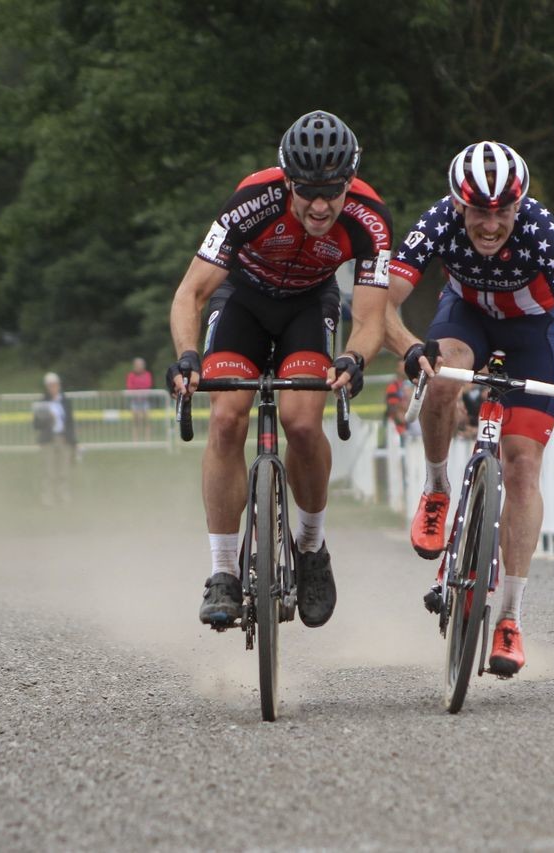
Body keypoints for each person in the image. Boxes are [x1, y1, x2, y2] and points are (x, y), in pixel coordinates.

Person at [167, 110, 393, 630]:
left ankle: (311, 547)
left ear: (349, 182)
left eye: (331, 190)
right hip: (242, 301)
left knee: (303, 421)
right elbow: (191, 293)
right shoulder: (252, 200)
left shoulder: (369, 217)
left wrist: (353, 359)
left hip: (308, 308)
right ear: (288, 179)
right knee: (226, 418)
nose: (319, 204)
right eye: (306, 190)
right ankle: (223, 571)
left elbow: (372, 316)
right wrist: (186, 356)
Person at [385, 140, 554, 677]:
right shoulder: (438, 219)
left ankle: (509, 616)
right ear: (459, 205)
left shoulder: (542, 230)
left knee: (523, 466)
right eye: (479, 211)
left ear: (518, 205)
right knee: (441, 381)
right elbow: (381, 304)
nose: (490, 224)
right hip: (465, 318)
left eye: (502, 211)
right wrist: (411, 348)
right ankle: (437, 489)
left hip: (533, 331)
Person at [33, 372, 77, 506]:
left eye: (55, 384)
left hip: (63, 439)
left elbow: (70, 422)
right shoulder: (42, 403)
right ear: (46, 387)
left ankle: (64, 496)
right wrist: (47, 419)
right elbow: (36, 425)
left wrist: (73, 441)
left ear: (59, 385)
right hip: (48, 440)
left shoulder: (66, 402)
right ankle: (47, 498)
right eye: (50, 385)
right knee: (49, 471)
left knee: (64, 471)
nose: (53, 387)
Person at [125, 357, 155, 442]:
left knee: (147, 421)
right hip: (134, 401)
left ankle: (147, 440)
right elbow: (129, 386)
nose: (139, 366)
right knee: (135, 421)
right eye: (137, 365)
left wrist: (138, 389)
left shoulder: (147, 374)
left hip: (145, 401)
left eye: (141, 364)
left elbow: (148, 385)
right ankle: (135, 440)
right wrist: (139, 390)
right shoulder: (131, 375)